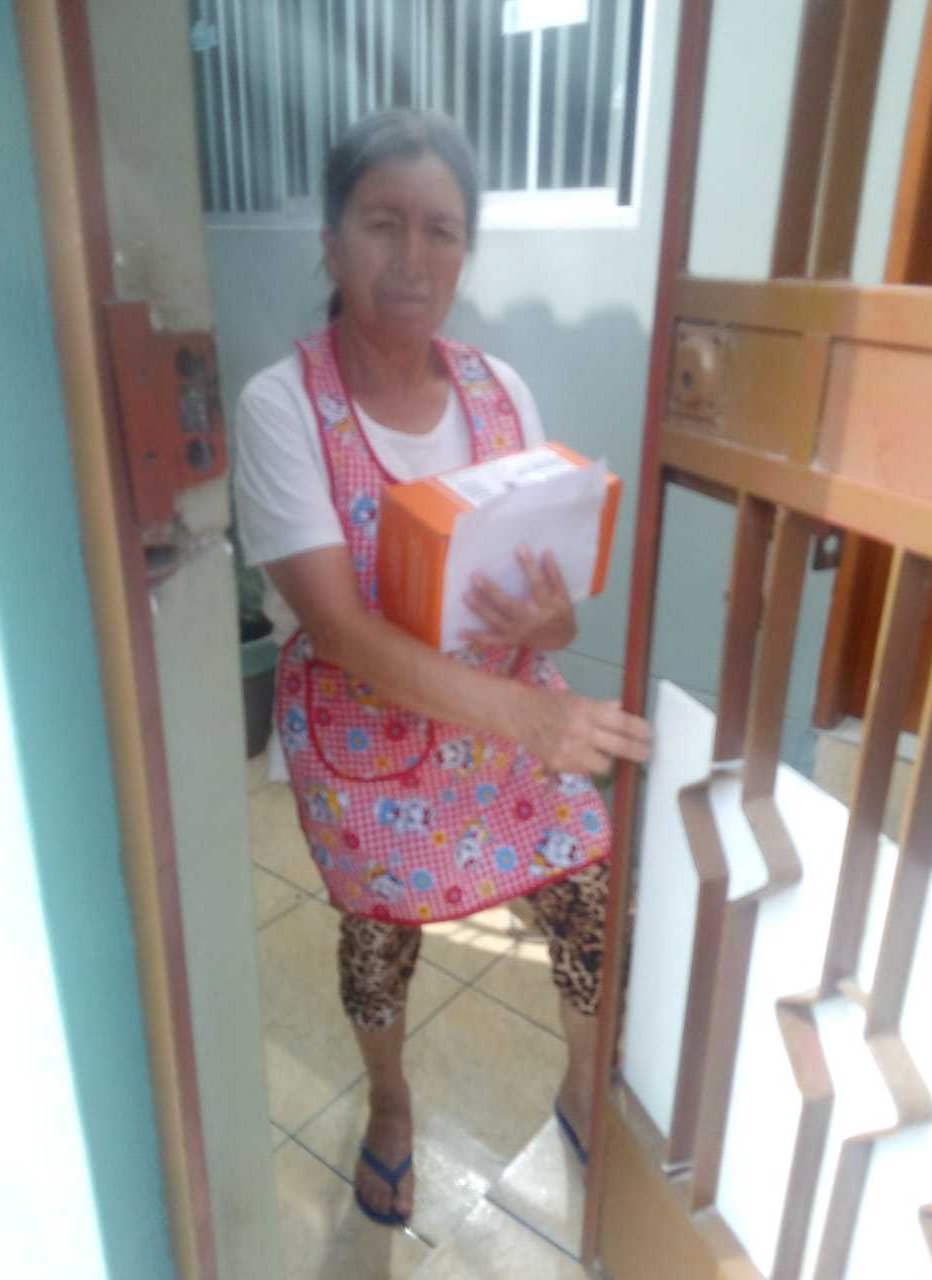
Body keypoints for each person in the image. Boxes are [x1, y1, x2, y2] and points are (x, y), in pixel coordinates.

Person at [234, 108, 651, 1227]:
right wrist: (531, 714)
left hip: (504, 717)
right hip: (367, 733)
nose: (413, 259)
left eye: (442, 230)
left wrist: (553, 628)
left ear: (466, 251)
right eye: (383, 224)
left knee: (593, 896)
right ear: (332, 241)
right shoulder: (283, 408)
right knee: (382, 932)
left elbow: (547, 613)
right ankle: (391, 1102)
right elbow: (341, 630)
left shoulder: (500, 392)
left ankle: (583, 1083)